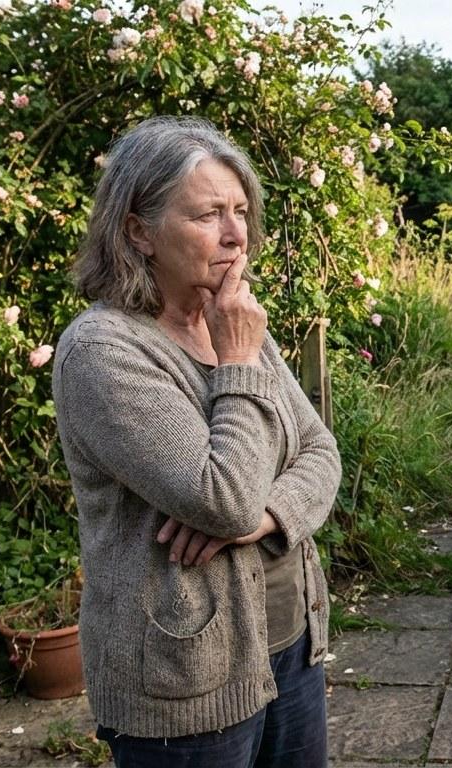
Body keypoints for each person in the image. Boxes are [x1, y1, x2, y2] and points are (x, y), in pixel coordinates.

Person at [52, 116, 341, 767]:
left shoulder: (233, 321)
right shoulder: (104, 351)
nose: (237, 235)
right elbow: (224, 500)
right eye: (209, 214)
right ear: (138, 231)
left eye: (241, 211)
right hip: (183, 683)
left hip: (290, 645)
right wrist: (237, 362)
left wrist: (268, 515)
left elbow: (321, 453)